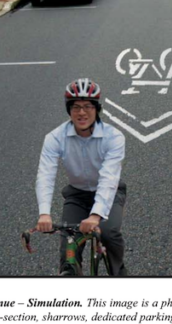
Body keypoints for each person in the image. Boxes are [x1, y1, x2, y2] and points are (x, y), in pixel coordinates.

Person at [35, 78, 127, 275]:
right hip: (77, 194)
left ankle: (119, 272)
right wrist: (44, 213)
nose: (82, 113)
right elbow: (46, 174)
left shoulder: (114, 137)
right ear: (69, 110)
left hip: (109, 194)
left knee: (109, 233)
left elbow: (109, 178)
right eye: (76, 107)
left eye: (87, 106)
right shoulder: (55, 137)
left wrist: (96, 215)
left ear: (97, 109)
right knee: (69, 244)